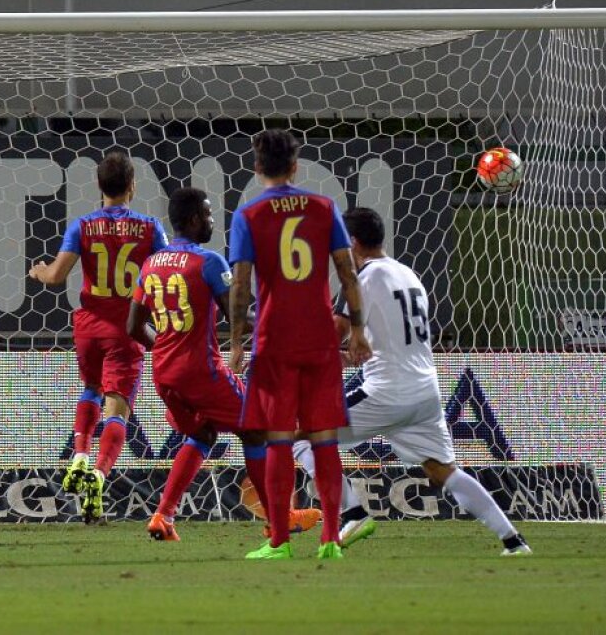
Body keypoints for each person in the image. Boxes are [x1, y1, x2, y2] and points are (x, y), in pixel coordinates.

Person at [294, 207, 532, 556]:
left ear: (353, 243)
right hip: (424, 393)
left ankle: (354, 513)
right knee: (442, 470)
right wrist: (347, 356)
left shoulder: (358, 279)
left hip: (387, 393)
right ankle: (514, 541)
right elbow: (392, 340)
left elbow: (334, 332)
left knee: (300, 436)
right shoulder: (408, 274)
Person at [126, 187, 321, 542]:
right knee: (257, 428)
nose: (214, 221)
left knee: (202, 434)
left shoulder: (150, 263)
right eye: (210, 213)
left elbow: (133, 327)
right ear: (194, 219)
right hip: (202, 371)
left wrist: (167, 349)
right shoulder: (209, 262)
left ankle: (163, 515)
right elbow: (237, 316)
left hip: (164, 374)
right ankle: (281, 518)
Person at [228, 128, 371, 561]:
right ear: (295, 166)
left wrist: (235, 341)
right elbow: (347, 274)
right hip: (319, 341)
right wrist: (359, 330)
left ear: (257, 168)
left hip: (275, 342)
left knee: (279, 441)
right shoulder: (324, 208)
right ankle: (331, 539)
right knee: (324, 440)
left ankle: (279, 543)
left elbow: (240, 285)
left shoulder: (249, 215)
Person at [29, 151, 168, 522]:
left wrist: (40, 271)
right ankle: (100, 475)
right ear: (133, 186)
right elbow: (169, 273)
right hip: (128, 328)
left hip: (89, 326)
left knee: (90, 388)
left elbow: (57, 276)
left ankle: (78, 457)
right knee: (118, 407)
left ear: (99, 186)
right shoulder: (151, 228)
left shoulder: (83, 225)